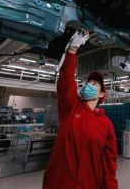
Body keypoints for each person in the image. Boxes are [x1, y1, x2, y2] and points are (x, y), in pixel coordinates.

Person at [43, 30, 118, 189]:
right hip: (58, 183)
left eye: (95, 84)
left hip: (89, 184)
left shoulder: (106, 125)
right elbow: (66, 80)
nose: (89, 85)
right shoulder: (70, 108)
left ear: (101, 94)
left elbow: (109, 164)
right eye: (88, 83)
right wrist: (72, 50)